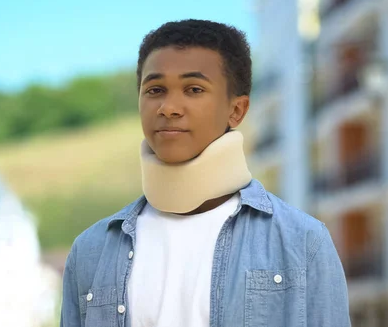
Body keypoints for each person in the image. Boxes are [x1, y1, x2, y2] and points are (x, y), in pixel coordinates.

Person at [60, 19, 350, 327]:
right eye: (155, 89)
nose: (169, 107)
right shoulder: (90, 251)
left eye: (194, 89)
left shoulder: (303, 242)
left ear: (236, 110)